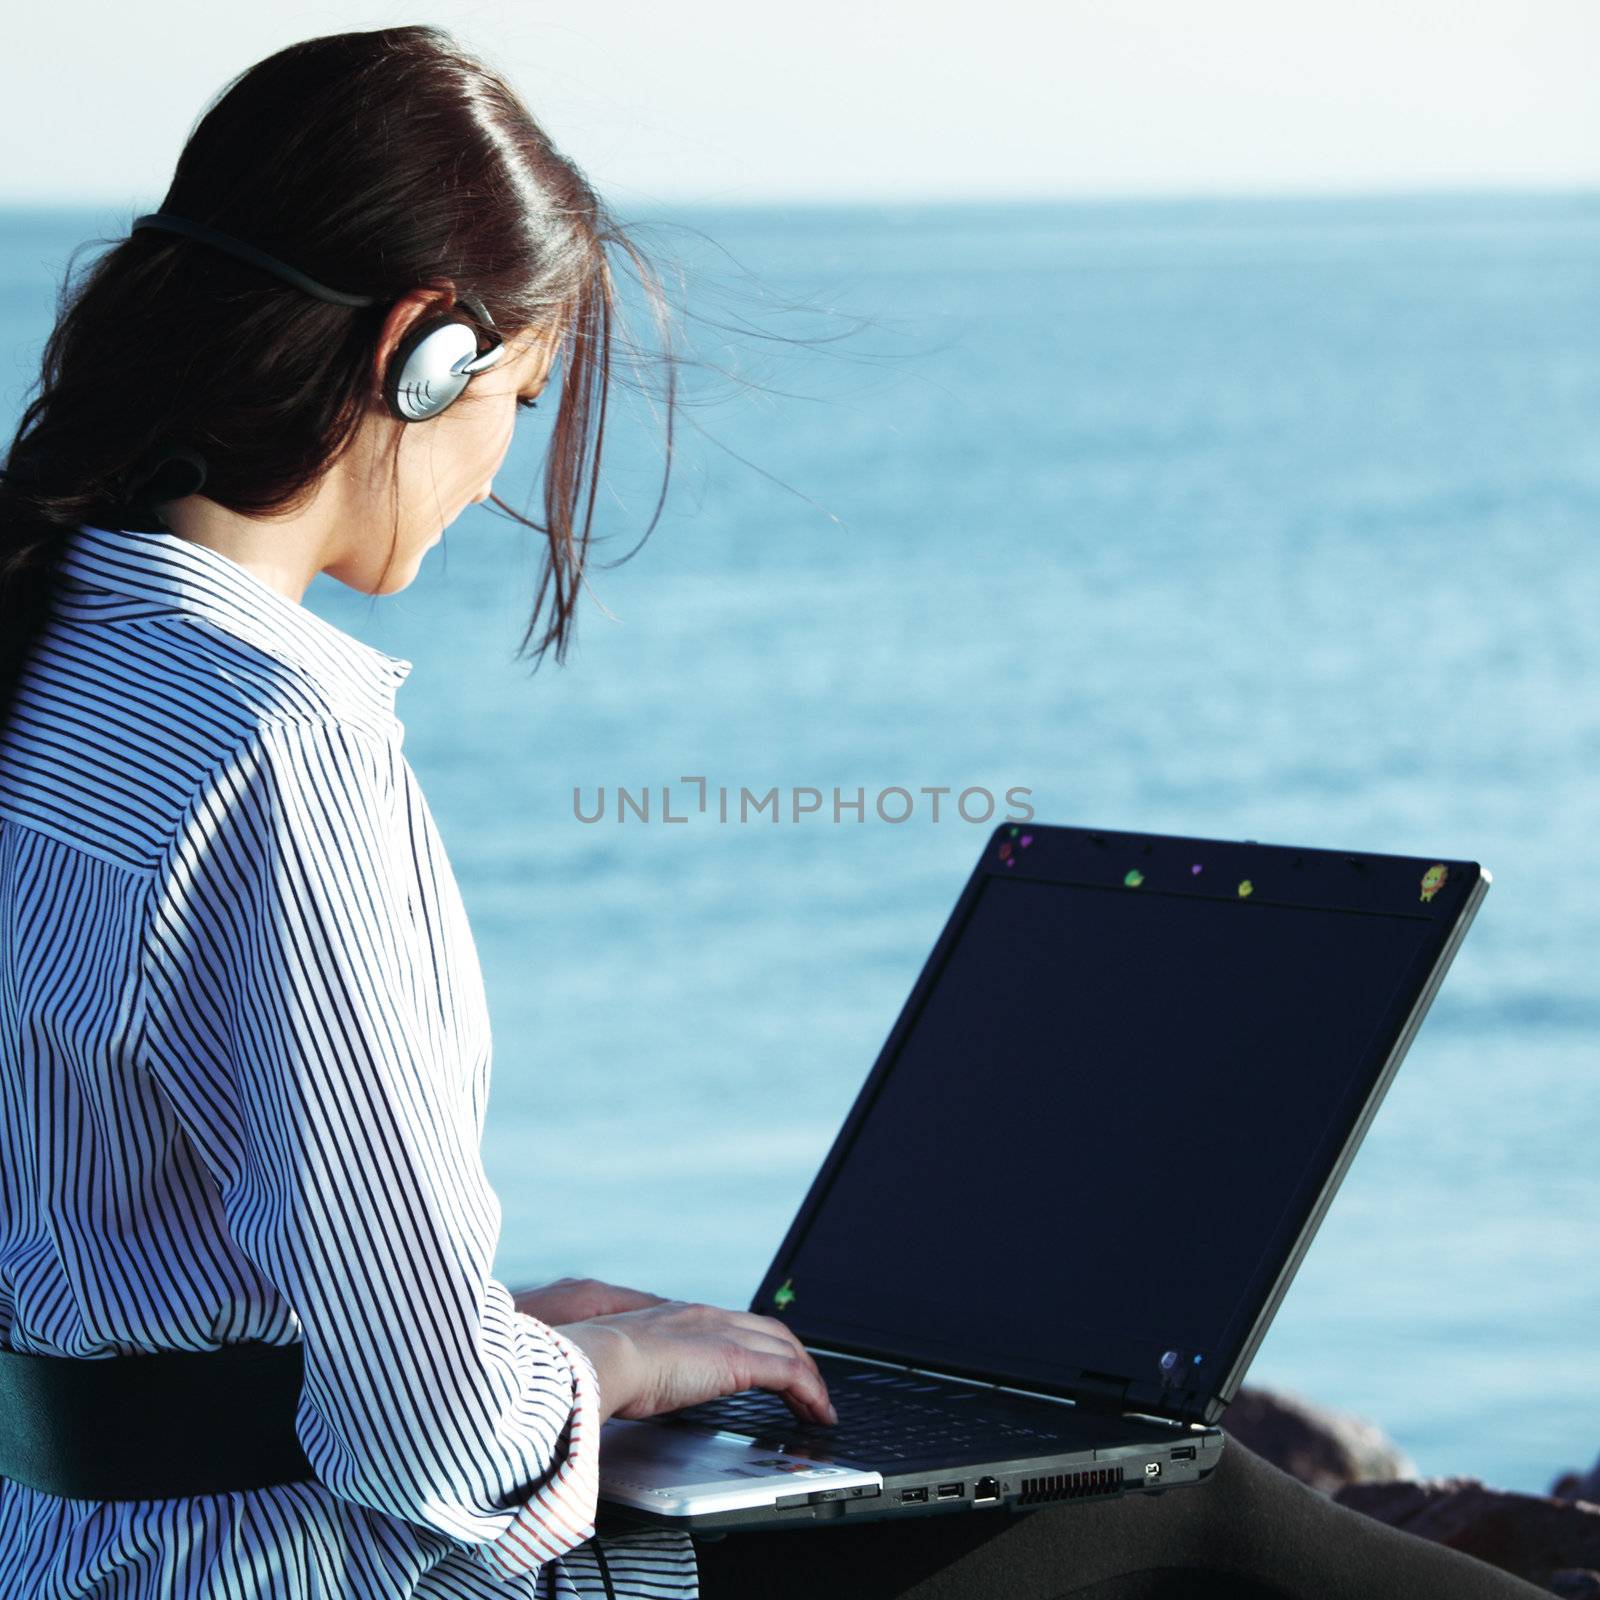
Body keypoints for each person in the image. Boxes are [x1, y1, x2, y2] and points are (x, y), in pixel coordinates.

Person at [0, 24, 1551, 1600]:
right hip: (317, 1572)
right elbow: (436, 1438)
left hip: (83, 1556)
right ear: (426, 352)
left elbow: (136, 1270)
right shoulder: (280, 740)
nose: (494, 476)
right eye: (522, 402)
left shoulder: (48, 655)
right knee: (1169, 1514)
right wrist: (603, 1372)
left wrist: (530, 1327)